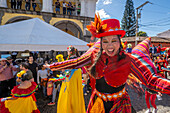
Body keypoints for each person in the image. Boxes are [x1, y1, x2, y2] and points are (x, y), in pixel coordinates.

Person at [44, 14, 170, 113]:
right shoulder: (93, 55)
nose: (109, 46)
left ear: (120, 42)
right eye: (105, 41)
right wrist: (52, 66)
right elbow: (76, 62)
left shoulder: (129, 59)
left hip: (119, 105)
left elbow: (150, 79)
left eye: (114, 41)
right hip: (97, 103)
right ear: (101, 43)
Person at [55, 46, 86, 112]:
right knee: (76, 95)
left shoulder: (69, 60)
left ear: (70, 52)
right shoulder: (79, 59)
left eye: (68, 51)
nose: (67, 53)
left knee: (69, 95)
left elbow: (64, 71)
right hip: (77, 77)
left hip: (70, 79)